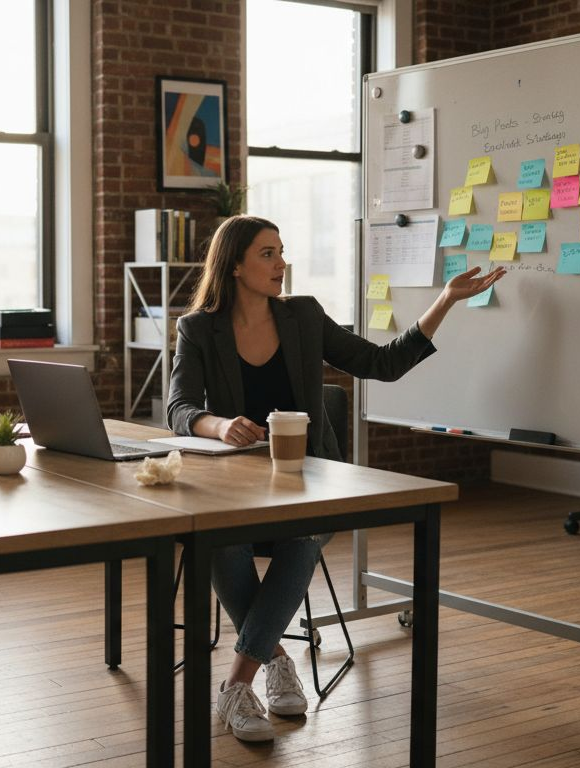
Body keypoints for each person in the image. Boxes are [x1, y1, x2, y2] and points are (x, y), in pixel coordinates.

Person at [167, 214, 504, 743]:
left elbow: (382, 363)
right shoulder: (198, 328)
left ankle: (235, 683)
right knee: (217, 542)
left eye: (281, 251)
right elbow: (179, 407)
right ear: (234, 265)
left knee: (302, 537)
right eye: (267, 254)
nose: (282, 263)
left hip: (306, 482)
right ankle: (276, 657)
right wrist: (218, 424)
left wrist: (445, 300)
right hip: (235, 484)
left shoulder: (302, 316)